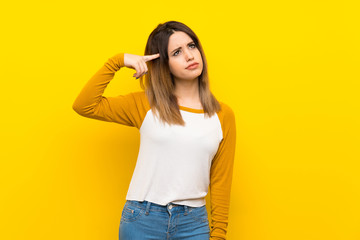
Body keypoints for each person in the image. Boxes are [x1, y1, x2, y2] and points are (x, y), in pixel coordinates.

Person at [72, 20, 236, 240]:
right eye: (177, 52)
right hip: (143, 220)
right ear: (163, 63)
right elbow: (85, 105)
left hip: (193, 224)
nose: (189, 56)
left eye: (192, 46)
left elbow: (221, 181)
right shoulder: (146, 105)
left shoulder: (222, 115)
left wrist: (219, 234)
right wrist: (117, 61)